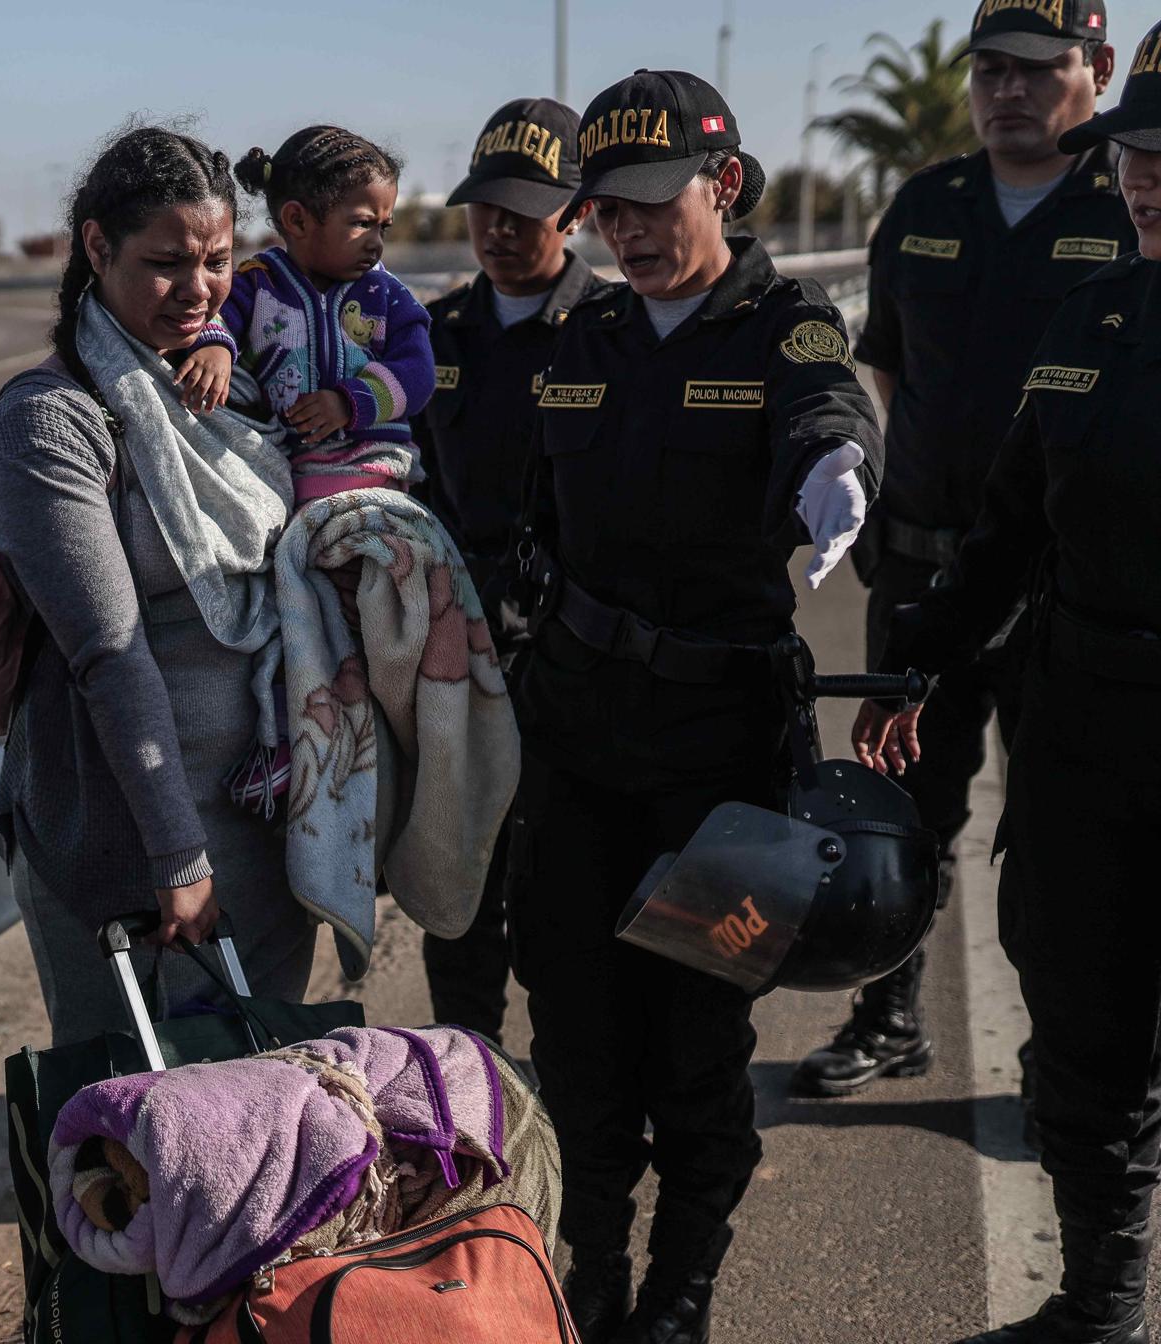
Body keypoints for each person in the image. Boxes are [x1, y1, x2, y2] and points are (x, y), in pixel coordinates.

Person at [511, 71, 883, 1343]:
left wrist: (840, 464)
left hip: (716, 762)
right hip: (575, 743)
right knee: (574, 1034)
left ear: (722, 186)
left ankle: (680, 1296)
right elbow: (526, 528)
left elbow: (830, 404)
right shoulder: (585, 340)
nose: (626, 232)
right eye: (605, 211)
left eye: (651, 204)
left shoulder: (784, 324)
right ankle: (596, 1277)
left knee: (693, 1044)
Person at [856, 22, 1161, 1340]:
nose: (1144, 176)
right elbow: (1011, 527)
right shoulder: (1093, 311)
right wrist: (920, 652)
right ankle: (1097, 1309)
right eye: (1137, 153)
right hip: (1089, 733)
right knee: (1085, 1037)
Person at [795, 0, 1128, 1099]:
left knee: (1059, 834)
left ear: (1101, 67)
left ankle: (1059, 1051)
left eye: (1037, 69)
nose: (1008, 92)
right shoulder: (924, 206)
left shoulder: (1128, 200)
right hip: (923, 572)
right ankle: (890, 1016)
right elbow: (889, 376)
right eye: (990, 69)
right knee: (904, 815)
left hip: (1063, 593)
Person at [0, 126, 319, 1046]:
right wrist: (177, 854)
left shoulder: (233, 385)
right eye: (166, 264)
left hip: (261, 820)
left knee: (270, 1127)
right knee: (126, 1146)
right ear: (96, 247)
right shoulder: (52, 421)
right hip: (126, 847)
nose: (199, 289)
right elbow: (107, 653)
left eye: (216, 261)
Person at [411, 95, 604, 1040]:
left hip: (577, 667)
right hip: (460, 657)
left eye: (524, 210)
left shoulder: (613, 329)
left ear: (576, 213)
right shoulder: (434, 337)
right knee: (460, 905)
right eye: (484, 206)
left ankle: (574, 1112)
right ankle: (469, 1097)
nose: (497, 228)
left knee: (567, 913)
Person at [181, 124, 435, 509]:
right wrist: (216, 348)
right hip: (282, 468)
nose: (376, 242)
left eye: (383, 227)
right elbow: (215, 316)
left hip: (375, 466)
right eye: (362, 223)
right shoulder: (257, 283)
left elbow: (418, 372)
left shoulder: (388, 296)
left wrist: (349, 403)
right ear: (297, 221)